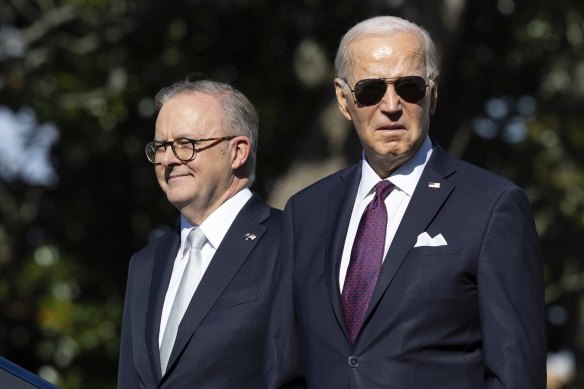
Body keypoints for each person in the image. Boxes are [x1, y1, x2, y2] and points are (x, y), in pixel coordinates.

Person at [264, 15, 546, 389]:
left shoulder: (492, 205)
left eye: (409, 87)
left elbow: (516, 375)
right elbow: (284, 365)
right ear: (343, 99)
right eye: (370, 90)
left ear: (433, 93)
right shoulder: (305, 212)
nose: (391, 105)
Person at [118, 79, 282, 388]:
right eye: (161, 147)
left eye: (185, 144)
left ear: (237, 152)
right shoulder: (145, 264)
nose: (168, 160)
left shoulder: (289, 242)